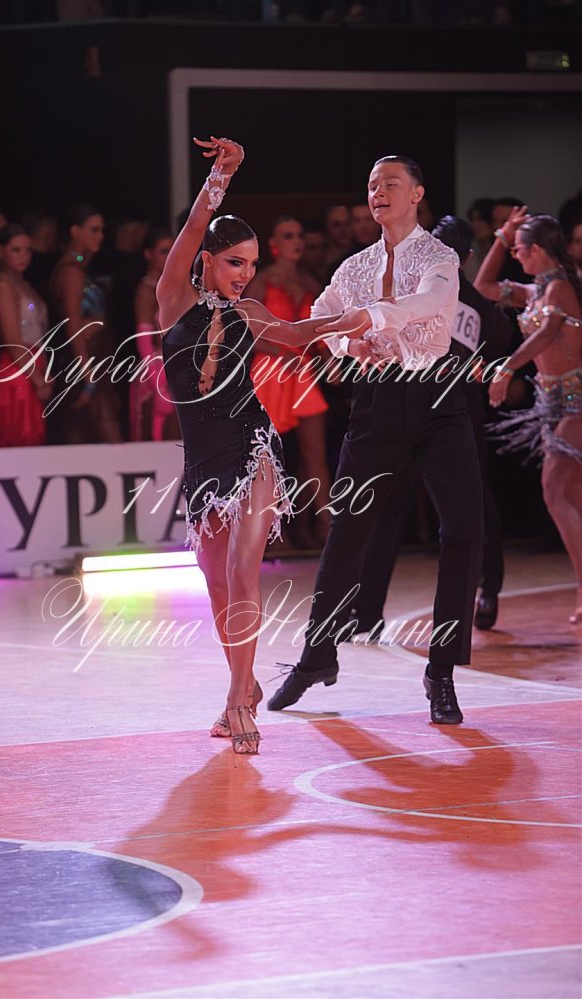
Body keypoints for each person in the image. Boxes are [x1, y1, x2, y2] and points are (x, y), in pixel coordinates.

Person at [267, 155, 484, 726]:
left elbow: (429, 304)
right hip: (378, 402)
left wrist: (370, 319)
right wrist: (347, 345)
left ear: (416, 194)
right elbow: (322, 314)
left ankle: (441, 670)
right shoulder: (354, 266)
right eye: (371, 185)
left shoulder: (439, 257)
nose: (378, 192)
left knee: (464, 529)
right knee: (347, 530)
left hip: (438, 400)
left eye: (390, 183)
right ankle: (318, 655)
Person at [157, 136, 344, 754]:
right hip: (203, 460)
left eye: (251, 264)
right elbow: (192, 226)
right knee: (215, 583)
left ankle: (239, 701)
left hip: (253, 445)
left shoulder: (252, 314)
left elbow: (296, 335)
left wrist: (361, 320)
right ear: (207, 260)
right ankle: (244, 683)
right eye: (234, 262)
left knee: (242, 571)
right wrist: (222, 176)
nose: (244, 274)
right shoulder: (174, 300)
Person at [343, 215, 512, 640]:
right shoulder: (473, 305)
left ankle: (368, 612)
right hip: (445, 418)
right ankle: (487, 592)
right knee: (470, 513)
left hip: (425, 414)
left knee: (397, 511)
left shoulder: (421, 291)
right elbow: (498, 349)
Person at [478, 210, 582, 624]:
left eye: (519, 249)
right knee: (571, 495)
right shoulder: (534, 291)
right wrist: (501, 238)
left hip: (577, 400)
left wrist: (506, 368)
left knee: (554, 491)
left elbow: (547, 334)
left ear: (537, 250)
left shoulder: (560, 288)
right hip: (551, 402)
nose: (516, 255)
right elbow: (483, 287)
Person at [246, 215, 332, 546]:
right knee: (266, 457)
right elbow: (247, 332)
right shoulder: (262, 281)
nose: (296, 241)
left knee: (315, 454)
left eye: (298, 235)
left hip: (302, 371)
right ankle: (271, 533)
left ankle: (324, 526)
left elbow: (320, 331)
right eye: (288, 235)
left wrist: (327, 358)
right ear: (274, 244)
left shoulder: (310, 282)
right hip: (271, 370)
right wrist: (281, 353)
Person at [50, 204, 122, 444]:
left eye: (102, 230)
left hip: (93, 359)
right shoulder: (71, 271)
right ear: (75, 231)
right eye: (94, 230)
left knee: (84, 438)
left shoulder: (79, 267)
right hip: (84, 362)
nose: (100, 236)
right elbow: (72, 324)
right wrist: (87, 373)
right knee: (106, 439)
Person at [0, 224, 52, 447]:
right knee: (20, 438)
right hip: (17, 371)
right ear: (0, 251)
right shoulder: (3, 287)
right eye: (16, 250)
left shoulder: (24, 285)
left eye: (27, 250)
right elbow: (13, 341)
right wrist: (38, 379)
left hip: (32, 366)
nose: (23, 256)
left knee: (33, 440)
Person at [129, 226, 177, 441]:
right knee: (156, 441)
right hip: (156, 371)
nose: (169, 256)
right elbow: (144, 342)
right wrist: (157, 386)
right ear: (148, 254)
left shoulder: (174, 288)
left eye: (172, 250)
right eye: (163, 251)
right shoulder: (146, 291)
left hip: (176, 368)